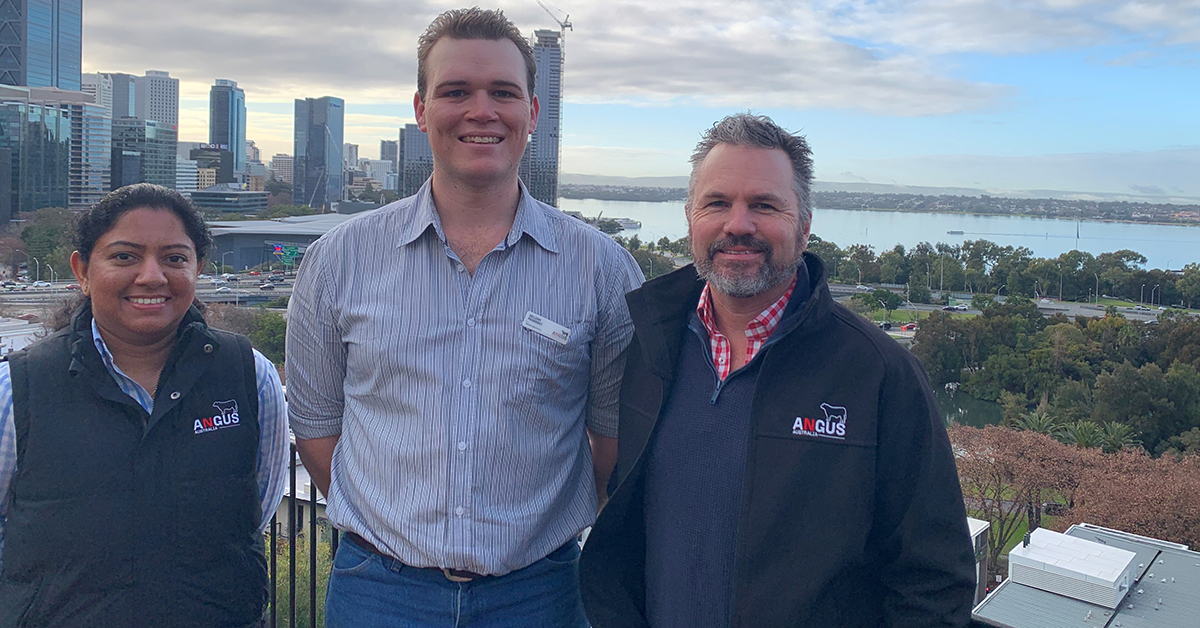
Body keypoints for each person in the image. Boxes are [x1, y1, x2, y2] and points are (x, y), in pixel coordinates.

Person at [285, 7, 643, 628]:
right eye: (456, 92)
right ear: (421, 110)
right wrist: (394, 526)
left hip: (543, 594)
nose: (482, 111)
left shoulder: (602, 269)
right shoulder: (338, 260)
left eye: (503, 92)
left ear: (533, 112)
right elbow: (317, 428)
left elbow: (610, 439)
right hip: (380, 592)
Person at [579, 114, 976, 628]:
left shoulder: (880, 374)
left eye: (764, 205)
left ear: (804, 226)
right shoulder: (649, 348)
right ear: (690, 218)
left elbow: (934, 579)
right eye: (717, 203)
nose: (738, 224)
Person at [0, 184, 289, 628]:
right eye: (124, 256)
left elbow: (257, 509)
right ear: (82, 271)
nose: (152, 276)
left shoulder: (250, 376)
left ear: (198, 269)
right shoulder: (18, 389)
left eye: (174, 258)